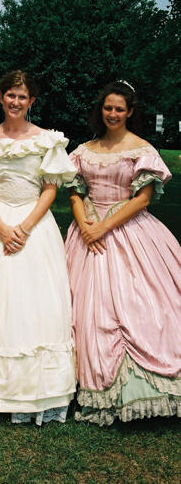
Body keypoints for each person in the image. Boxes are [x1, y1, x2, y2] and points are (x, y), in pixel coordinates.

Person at [0, 71, 77, 424]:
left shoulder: (47, 140)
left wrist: (23, 227)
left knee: (34, 303)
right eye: (10, 95)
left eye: (22, 97)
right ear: (0, 96)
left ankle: (32, 385)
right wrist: (3, 229)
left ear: (32, 101)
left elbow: (51, 188)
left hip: (34, 222)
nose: (16, 102)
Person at [65, 80, 181, 425]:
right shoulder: (83, 150)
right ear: (100, 110)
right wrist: (85, 223)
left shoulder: (141, 149)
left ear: (130, 112)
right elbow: (74, 190)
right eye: (107, 107)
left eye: (119, 109)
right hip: (86, 230)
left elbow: (142, 199)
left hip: (129, 231)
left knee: (137, 305)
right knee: (83, 306)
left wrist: (103, 227)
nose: (113, 114)